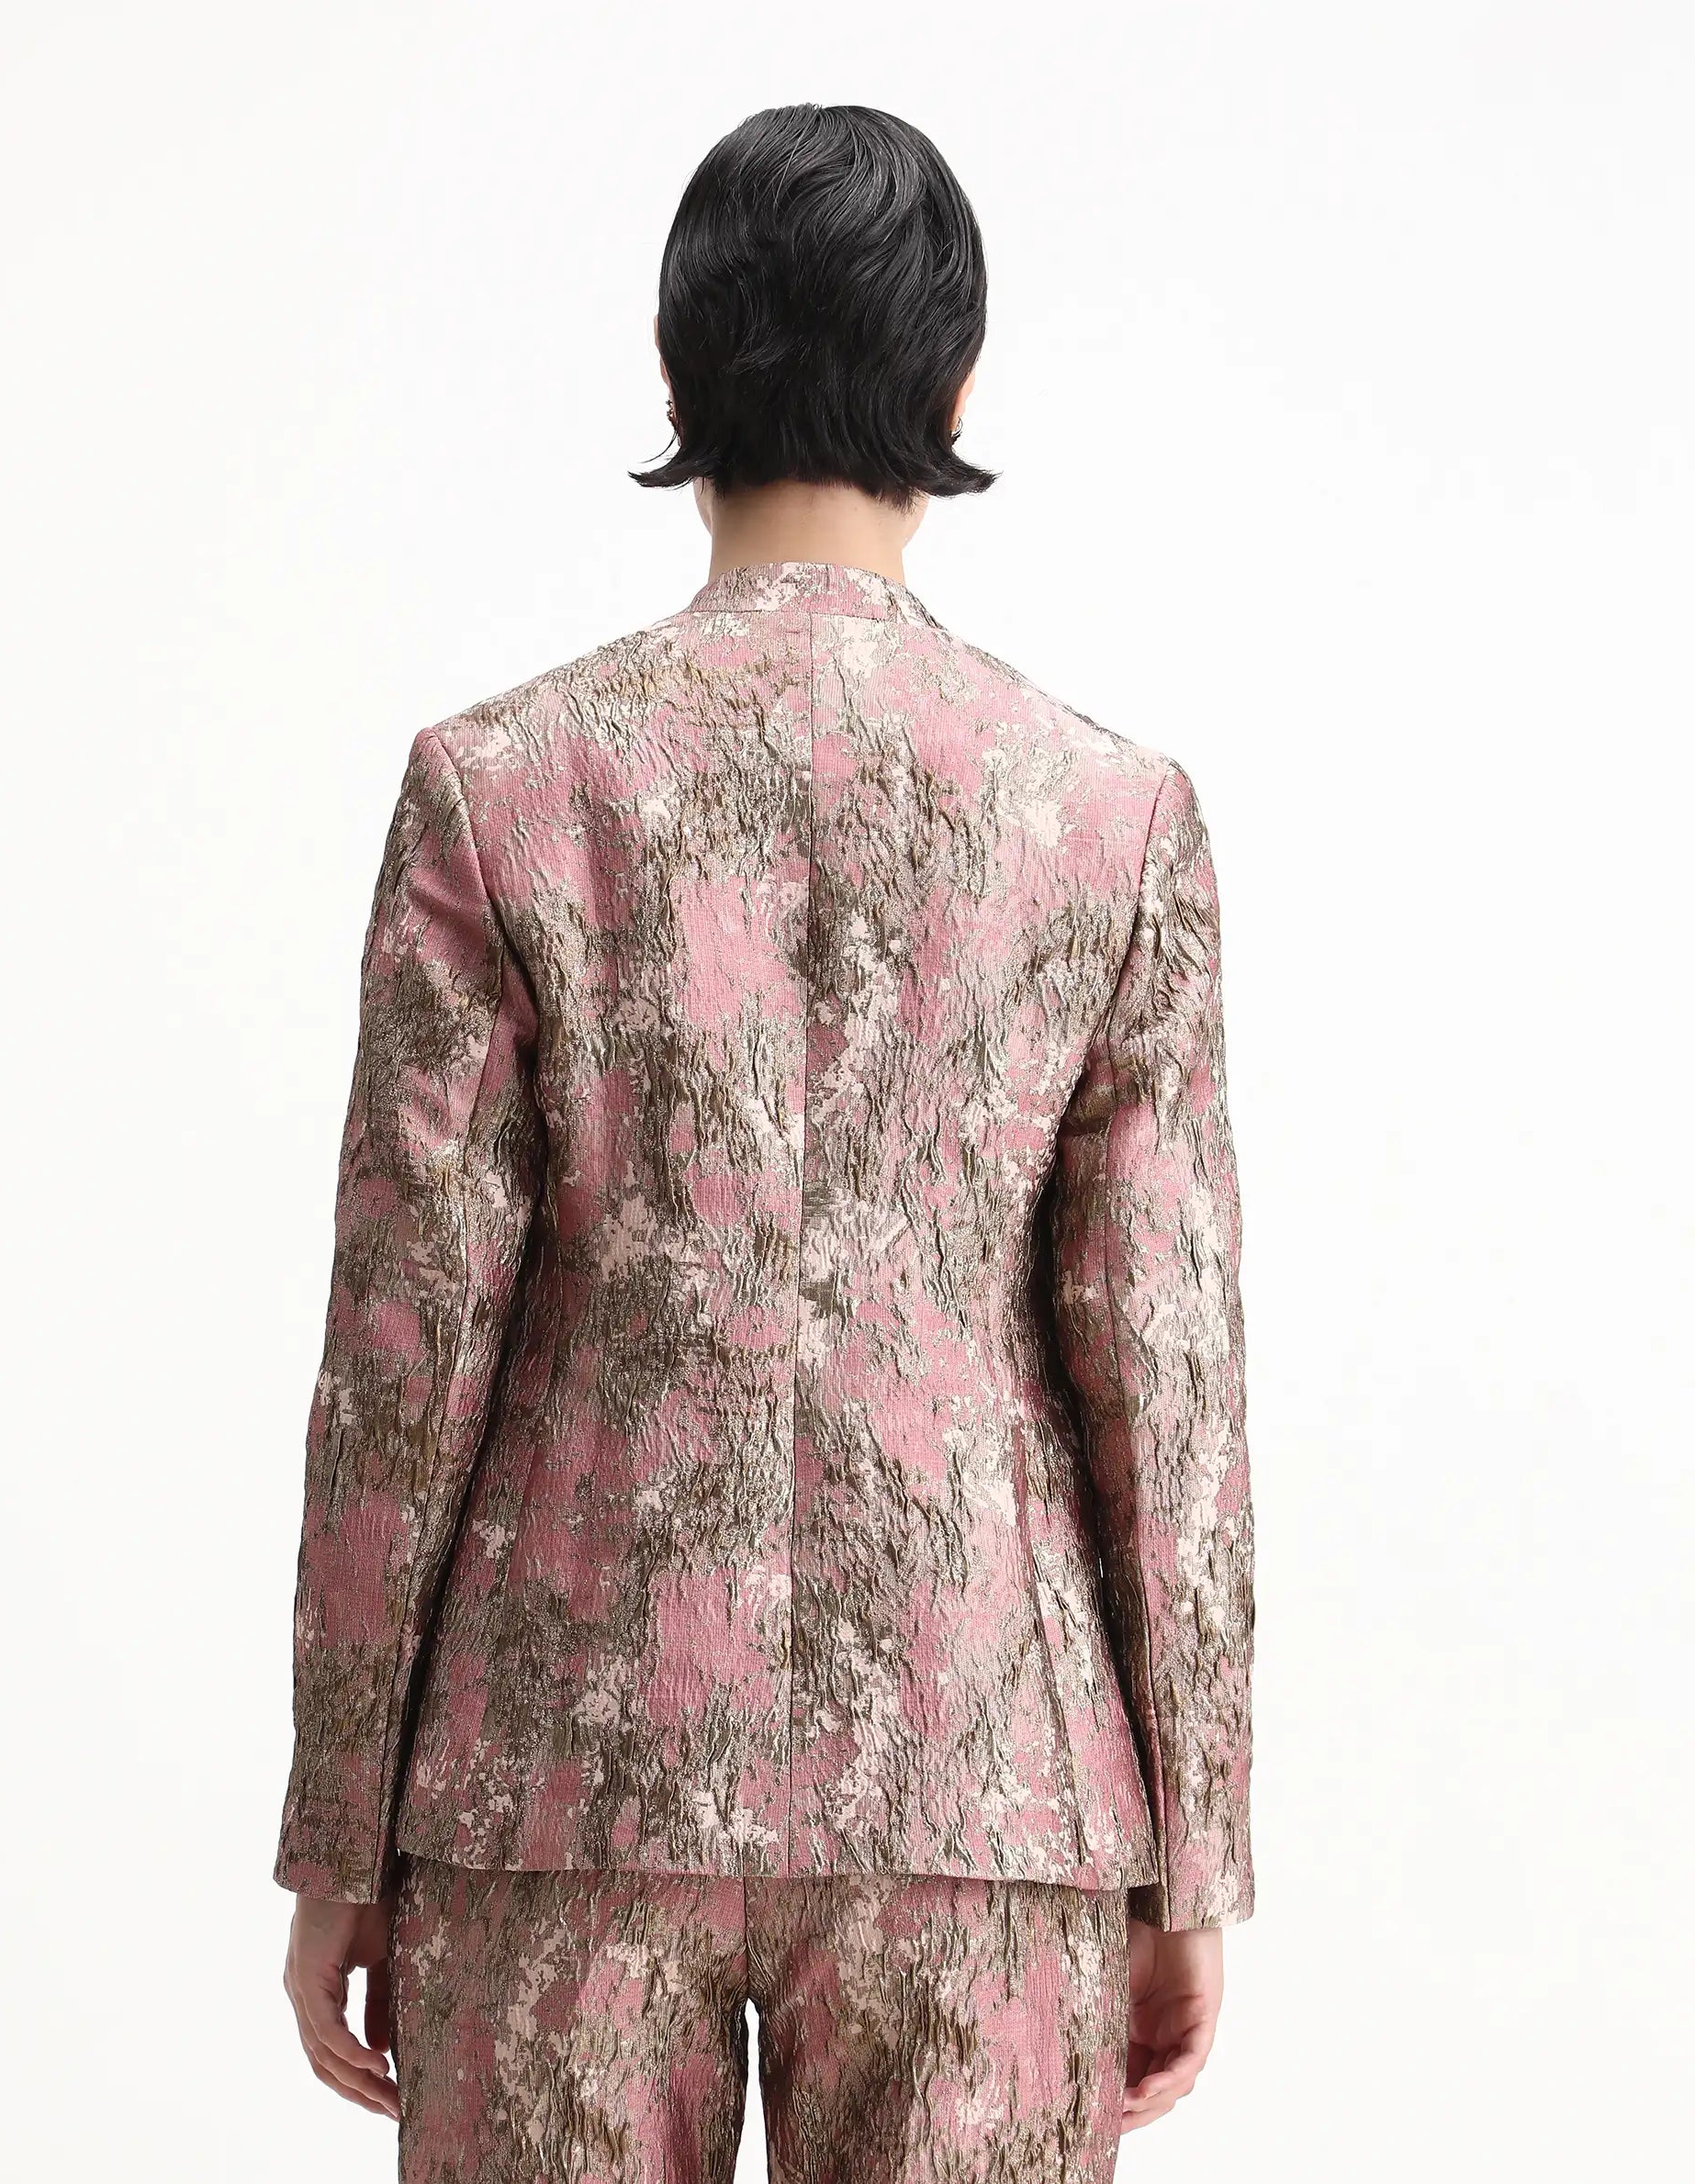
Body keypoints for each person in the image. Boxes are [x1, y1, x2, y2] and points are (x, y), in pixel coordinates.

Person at [275, 101, 1255, 2184]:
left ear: (675, 371)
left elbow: (399, 1358)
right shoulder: (1107, 819)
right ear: (956, 383)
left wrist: (341, 1826)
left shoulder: (502, 790)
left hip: (558, 1780)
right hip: (987, 1788)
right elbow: (1164, 1377)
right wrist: (1196, 1847)